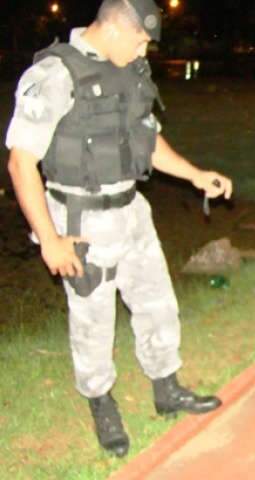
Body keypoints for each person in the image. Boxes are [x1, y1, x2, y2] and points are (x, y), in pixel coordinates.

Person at [6, 0, 232, 458]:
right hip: (81, 218)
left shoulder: (127, 69)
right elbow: (21, 161)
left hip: (133, 210)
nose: (146, 49)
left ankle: (166, 387)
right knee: (93, 320)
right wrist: (49, 239)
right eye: (142, 39)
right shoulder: (54, 75)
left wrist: (193, 174)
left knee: (157, 302)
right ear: (114, 29)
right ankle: (100, 401)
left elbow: (146, 140)